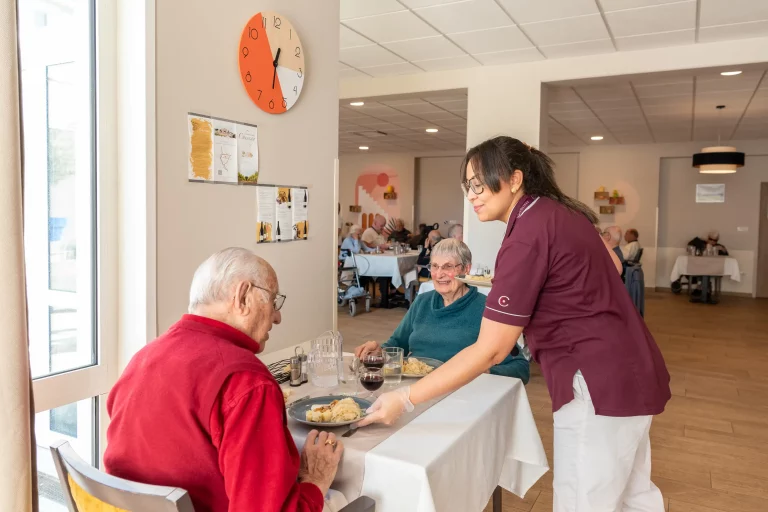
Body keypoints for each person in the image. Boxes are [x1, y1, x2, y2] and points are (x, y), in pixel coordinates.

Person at [358, 137, 670, 512]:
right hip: (633, 366)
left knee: (585, 502)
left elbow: (492, 349)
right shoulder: (563, 211)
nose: (472, 195)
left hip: (596, 381)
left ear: (515, 179)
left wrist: (404, 398)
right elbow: (614, 266)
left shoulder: (529, 232)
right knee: (634, 497)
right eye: (467, 186)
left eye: (478, 183)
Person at [104, 248, 344, 512]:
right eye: (273, 302)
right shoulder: (246, 381)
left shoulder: (142, 359)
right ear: (242, 297)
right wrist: (315, 482)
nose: (277, 316)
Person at [355, 239, 529, 382]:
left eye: (448, 267)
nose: (439, 274)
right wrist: (379, 352)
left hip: (460, 393)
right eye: (435, 266)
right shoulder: (423, 301)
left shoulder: (487, 310)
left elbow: (520, 367)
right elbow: (396, 344)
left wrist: (482, 373)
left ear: (466, 269)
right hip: (414, 389)